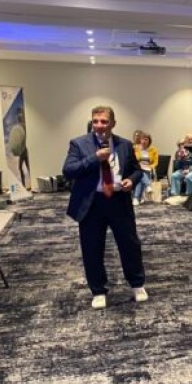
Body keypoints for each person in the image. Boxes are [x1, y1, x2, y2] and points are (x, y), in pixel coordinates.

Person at [63, 105, 147, 309]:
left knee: (129, 244)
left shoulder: (125, 144)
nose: (99, 125)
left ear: (113, 123)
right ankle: (98, 290)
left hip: (119, 200)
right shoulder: (78, 144)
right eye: (95, 121)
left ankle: (137, 284)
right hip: (92, 203)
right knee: (92, 247)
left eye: (104, 121)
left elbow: (137, 171)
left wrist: (131, 180)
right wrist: (95, 158)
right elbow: (68, 170)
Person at [132, 132, 158, 206]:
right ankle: (148, 185)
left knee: (140, 179)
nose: (144, 141)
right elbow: (134, 160)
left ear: (149, 141)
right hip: (137, 168)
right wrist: (139, 166)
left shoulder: (153, 150)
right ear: (140, 140)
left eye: (146, 139)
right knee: (140, 172)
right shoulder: (135, 148)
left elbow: (156, 162)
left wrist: (151, 166)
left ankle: (136, 198)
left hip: (148, 169)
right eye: (142, 139)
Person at [8, 108, 30, 190]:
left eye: (20, 115)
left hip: (23, 150)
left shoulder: (23, 125)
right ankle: (23, 184)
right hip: (22, 151)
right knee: (22, 167)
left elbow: (23, 137)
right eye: (18, 115)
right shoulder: (19, 126)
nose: (19, 117)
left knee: (24, 167)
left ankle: (24, 184)